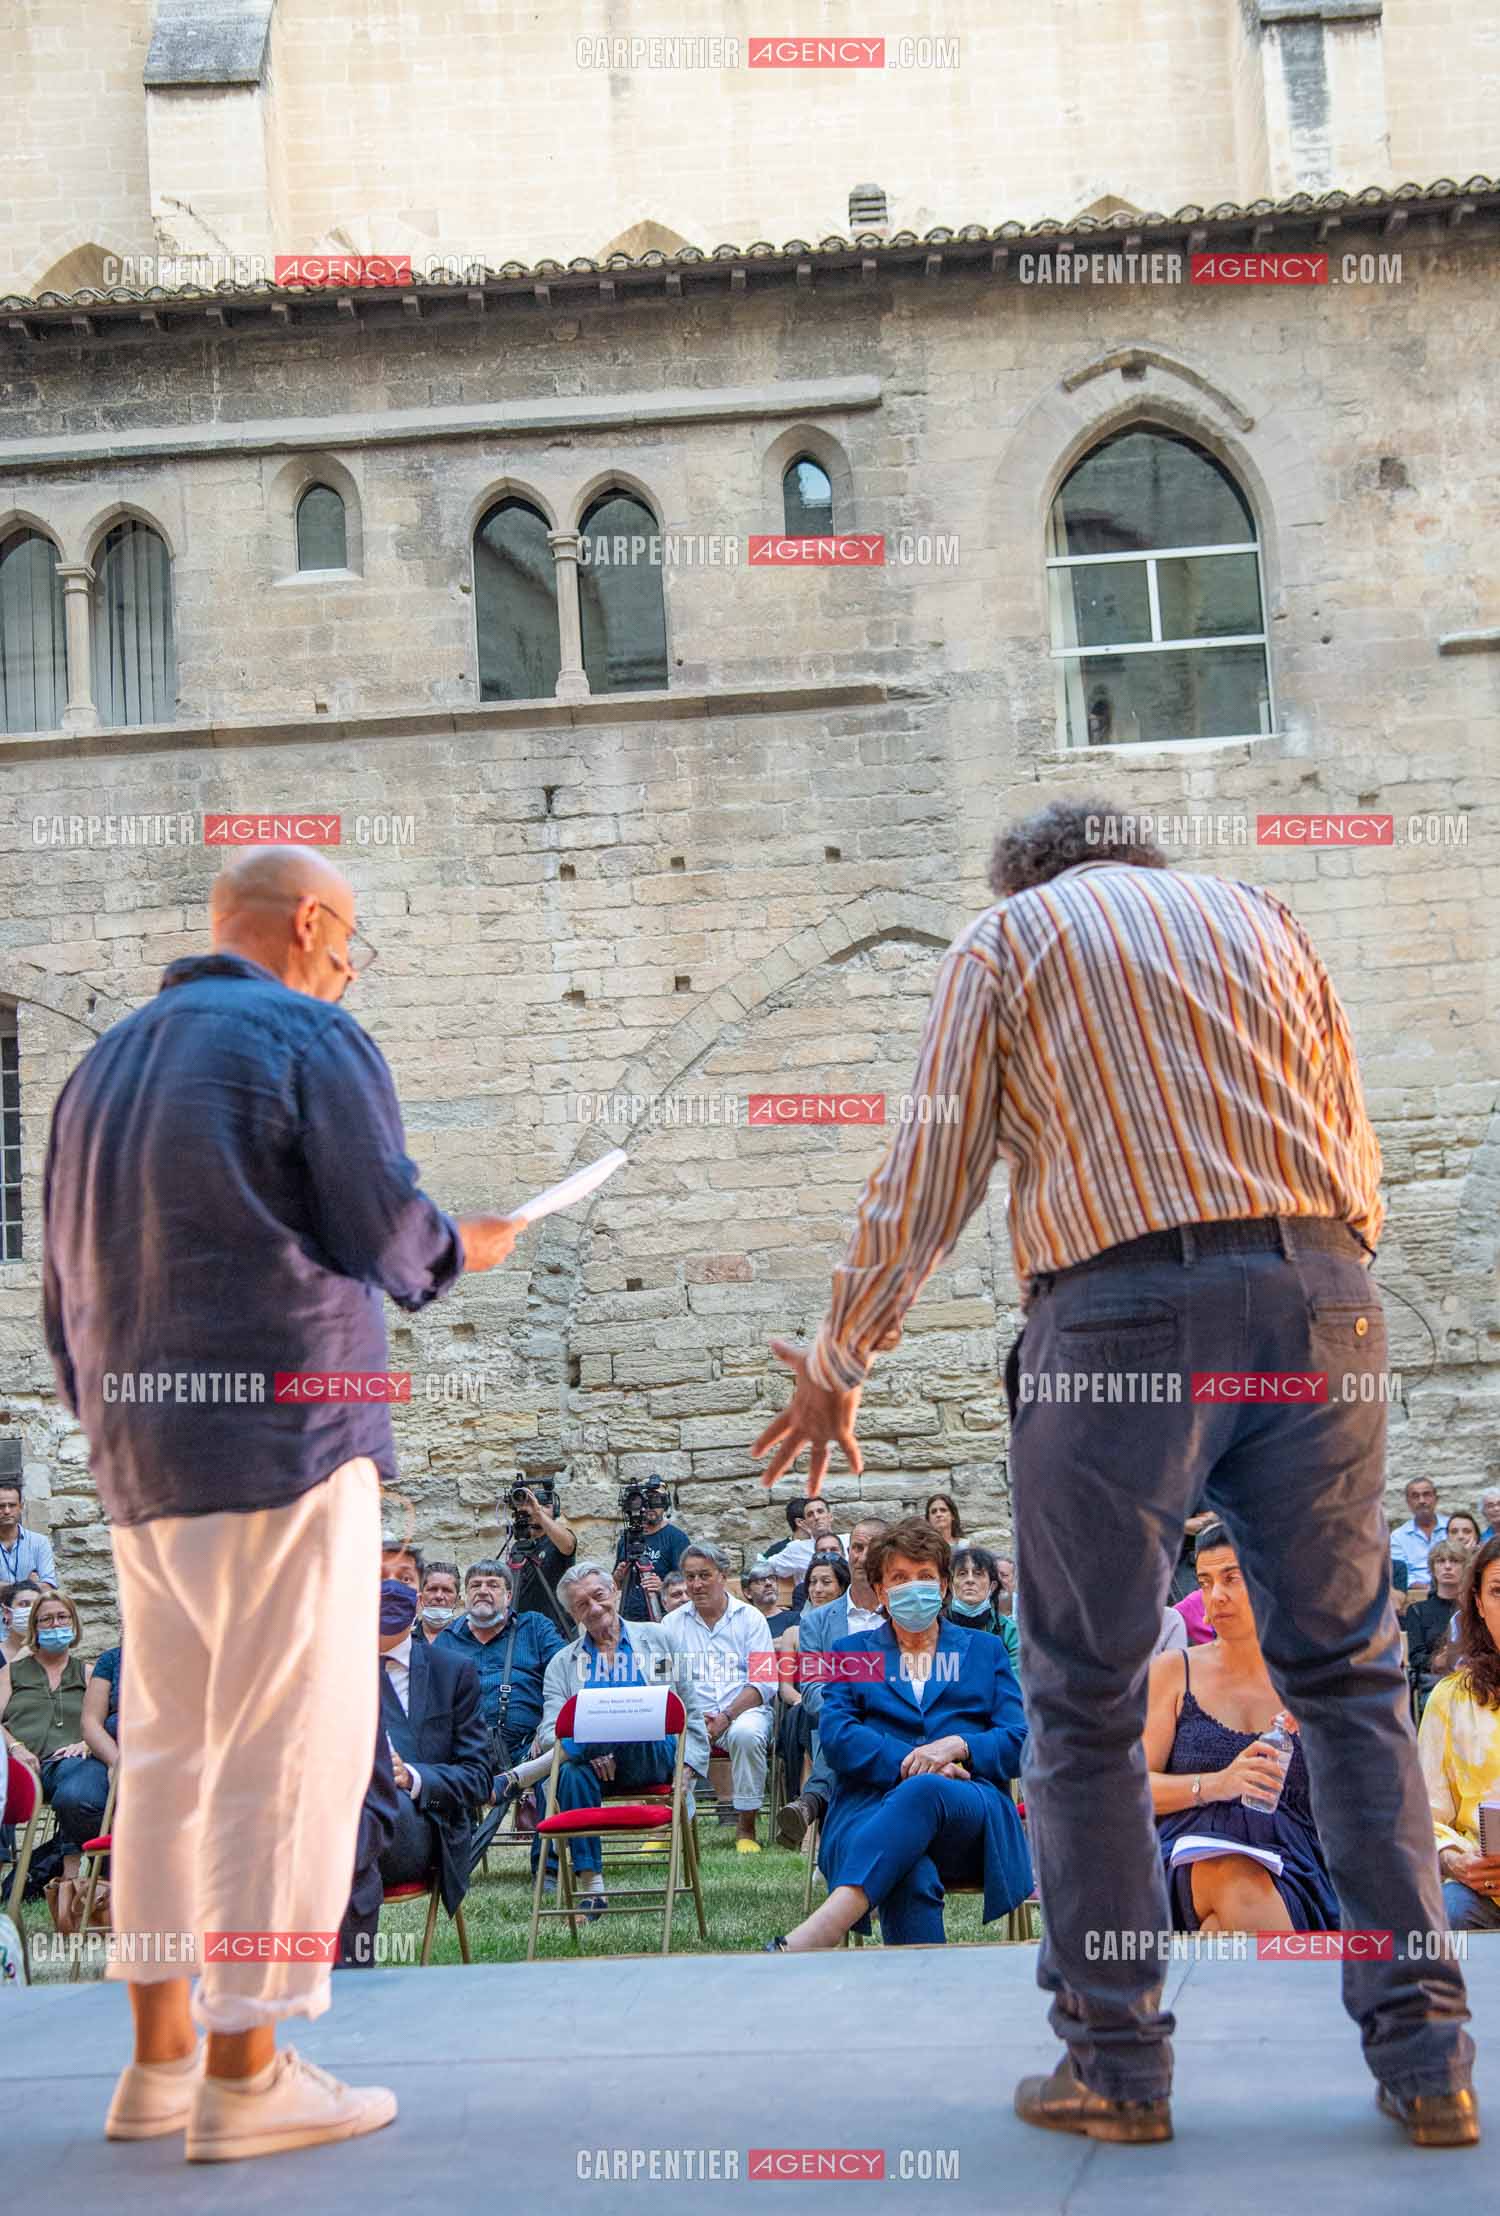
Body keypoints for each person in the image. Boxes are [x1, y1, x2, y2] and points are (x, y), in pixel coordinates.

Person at [751, 796, 1475, 2148]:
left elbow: (931, 1165)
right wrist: (1316, 1278)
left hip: (1128, 1318)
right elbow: (1354, 1141)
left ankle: (1117, 2066)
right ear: (1145, 861)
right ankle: (1431, 2063)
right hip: (1324, 1297)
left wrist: (842, 1356)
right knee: (1354, 1677)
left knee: (1083, 1697)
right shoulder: (1269, 919)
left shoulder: (1008, 938)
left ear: (1019, 876)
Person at [41, 844, 525, 2158]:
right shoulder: (312, 1035)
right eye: (349, 941)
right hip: (285, 1441)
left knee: (168, 1751)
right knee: (282, 1750)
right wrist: (464, 1243)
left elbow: (58, 1299)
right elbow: (387, 1233)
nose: (350, 966)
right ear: (309, 923)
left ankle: (157, 2063)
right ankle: (247, 2068)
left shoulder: (94, 1072)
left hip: (141, 1455)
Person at [765, 1520, 1029, 1950]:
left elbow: (1021, 1740)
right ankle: (924, 2001)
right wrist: (921, 1762)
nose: (914, 1587)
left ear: (943, 1586)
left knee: (926, 1790)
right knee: (910, 1870)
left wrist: (959, 1746)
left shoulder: (984, 1651)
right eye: (900, 1578)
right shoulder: (854, 1654)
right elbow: (839, 1736)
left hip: (969, 1814)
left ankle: (822, 1930)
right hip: (871, 1810)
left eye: (925, 1576)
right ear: (882, 1592)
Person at [1145, 1524, 1337, 1934]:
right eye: (1205, 1582)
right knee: (1234, 1878)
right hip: (1188, 1853)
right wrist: (1217, 1784)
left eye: (1232, 1578)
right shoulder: (1175, 1672)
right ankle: (1301, 1986)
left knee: (1221, 1931)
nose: (1215, 1596)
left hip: (1294, 1860)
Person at [534, 1563, 710, 1916]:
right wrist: (595, 1750)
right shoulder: (562, 1663)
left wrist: (688, 1767)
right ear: (573, 1614)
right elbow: (550, 1731)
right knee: (569, 1773)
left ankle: (527, 1773)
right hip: (593, 1771)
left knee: (639, 1717)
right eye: (582, 1605)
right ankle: (593, 1888)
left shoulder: (659, 1639)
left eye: (599, 1596)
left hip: (653, 1756)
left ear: (614, 1591)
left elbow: (690, 1712)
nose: (595, 1608)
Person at [352, 1574, 489, 1955]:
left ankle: (348, 1966)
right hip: (339, 1809)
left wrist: (410, 1775)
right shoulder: (333, 1671)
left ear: (416, 1606)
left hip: (423, 1817)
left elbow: (478, 1777)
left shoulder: (452, 1671)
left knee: (354, 1824)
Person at [776, 1517, 889, 1848]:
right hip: (838, 1721)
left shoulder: (902, 1614)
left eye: (870, 1548)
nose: (860, 1556)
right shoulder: (817, 1622)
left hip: (896, 1723)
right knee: (843, 1730)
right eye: (856, 1547)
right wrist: (849, 1711)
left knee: (850, 1735)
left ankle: (811, 1803)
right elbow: (811, 1687)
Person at [658, 1542, 776, 1851]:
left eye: (704, 1575)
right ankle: (667, 1828)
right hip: (689, 1716)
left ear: (723, 1576)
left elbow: (763, 1683)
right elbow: (661, 1682)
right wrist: (692, 1720)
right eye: (690, 1577)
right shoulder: (670, 1624)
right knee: (658, 1737)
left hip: (740, 1712)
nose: (696, 1585)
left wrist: (724, 1717)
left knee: (747, 1735)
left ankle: (746, 1828)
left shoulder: (751, 1619)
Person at [1417, 1537, 1500, 1932]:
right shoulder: (1450, 1699)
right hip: (1484, 1888)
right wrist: (1454, 1860)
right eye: (1498, 1592)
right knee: (1447, 1911)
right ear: (1479, 1605)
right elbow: (1425, 1816)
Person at [0, 1590, 92, 1922]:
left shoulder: (88, 1673)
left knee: (77, 1784)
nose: (56, 1624)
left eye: (62, 1618)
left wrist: (87, 1744)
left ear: (74, 1623)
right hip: (18, 1765)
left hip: (68, 1764)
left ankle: (69, 1881)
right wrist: (14, 1747)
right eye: (47, 1619)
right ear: (35, 1627)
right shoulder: (13, 1672)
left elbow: (101, 1722)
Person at [437, 1561, 565, 1783]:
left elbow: (566, 1675)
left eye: (493, 1585)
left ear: (508, 1596)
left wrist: (547, 1727)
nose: (483, 1591)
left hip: (529, 1753)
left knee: (563, 1772)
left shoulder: (535, 1627)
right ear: (465, 1596)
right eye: (475, 1585)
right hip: (461, 1756)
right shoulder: (447, 1639)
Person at [499, 1479, 578, 1634]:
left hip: (557, 1629)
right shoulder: (518, 1546)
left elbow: (568, 1545)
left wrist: (537, 1512)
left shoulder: (557, 1539)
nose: (538, 1508)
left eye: (545, 1506)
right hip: (524, 1630)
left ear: (555, 1512)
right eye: (535, 1504)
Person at [611, 1478, 693, 1624]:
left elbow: (688, 1582)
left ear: (666, 1504)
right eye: (646, 1500)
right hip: (631, 1617)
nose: (650, 1506)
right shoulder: (627, 1539)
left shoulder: (676, 1538)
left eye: (656, 1500)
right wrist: (618, 1577)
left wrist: (663, 1586)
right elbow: (615, 1584)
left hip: (664, 1617)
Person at [1407, 1543, 1466, 1714]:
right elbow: (1416, 1657)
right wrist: (1436, 1661)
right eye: (1441, 1561)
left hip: (1470, 1678)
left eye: (1454, 1561)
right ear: (1433, 1568)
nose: (1447, 1566)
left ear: (1465, 1567)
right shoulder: (1417, 1610)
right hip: (1434, 1682)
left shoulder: (1475, 1609)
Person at [947, 1544, 1021, 1672]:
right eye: (962, 1573)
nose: (970, 1580)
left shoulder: (1010, 1631)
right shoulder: (936, 1627)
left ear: (992, 1587)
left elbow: (1015, 1684)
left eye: (978, 1574)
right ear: (950, 1585)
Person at [1391, 1480, 1448, 1596]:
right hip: (1415, 1596)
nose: (1422, 1501)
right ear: (1408, 1502)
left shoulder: (1451, 1528)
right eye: (1415, 1496)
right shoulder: (1398, 1537)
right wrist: (1429, 1589)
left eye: (1426, 1494)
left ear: (1436, 1498)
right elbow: (1401, 1573)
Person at [0, 1479, 57, 1590]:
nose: (6, 1511)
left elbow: (49, 1587)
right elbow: (41, 1587)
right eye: (1, 1506)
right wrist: (29, 1585)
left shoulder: (39, 1542)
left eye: (12, 1505)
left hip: (30, 1607)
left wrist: (4, 1588)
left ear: (21, 1507)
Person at [0, 1577, 43, 1672]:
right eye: (23, 1604)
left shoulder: (50, 1655)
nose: (32, 1611)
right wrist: (17, 1661)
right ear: (7, 1612)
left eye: (36, 1605)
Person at [415, 1561, 462, 1643]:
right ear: (420, 1597)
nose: (439, 1596)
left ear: (457, 1600)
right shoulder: (403, 1639)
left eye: (447, 1590)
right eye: (432, 1589)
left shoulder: (467, 1641)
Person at [742, 1568, 796, 1636]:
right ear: (748, 1593)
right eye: (760, 1580)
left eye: (772, 1578)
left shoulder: (795, 1618)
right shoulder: (742, 1623)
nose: (768, 1583)